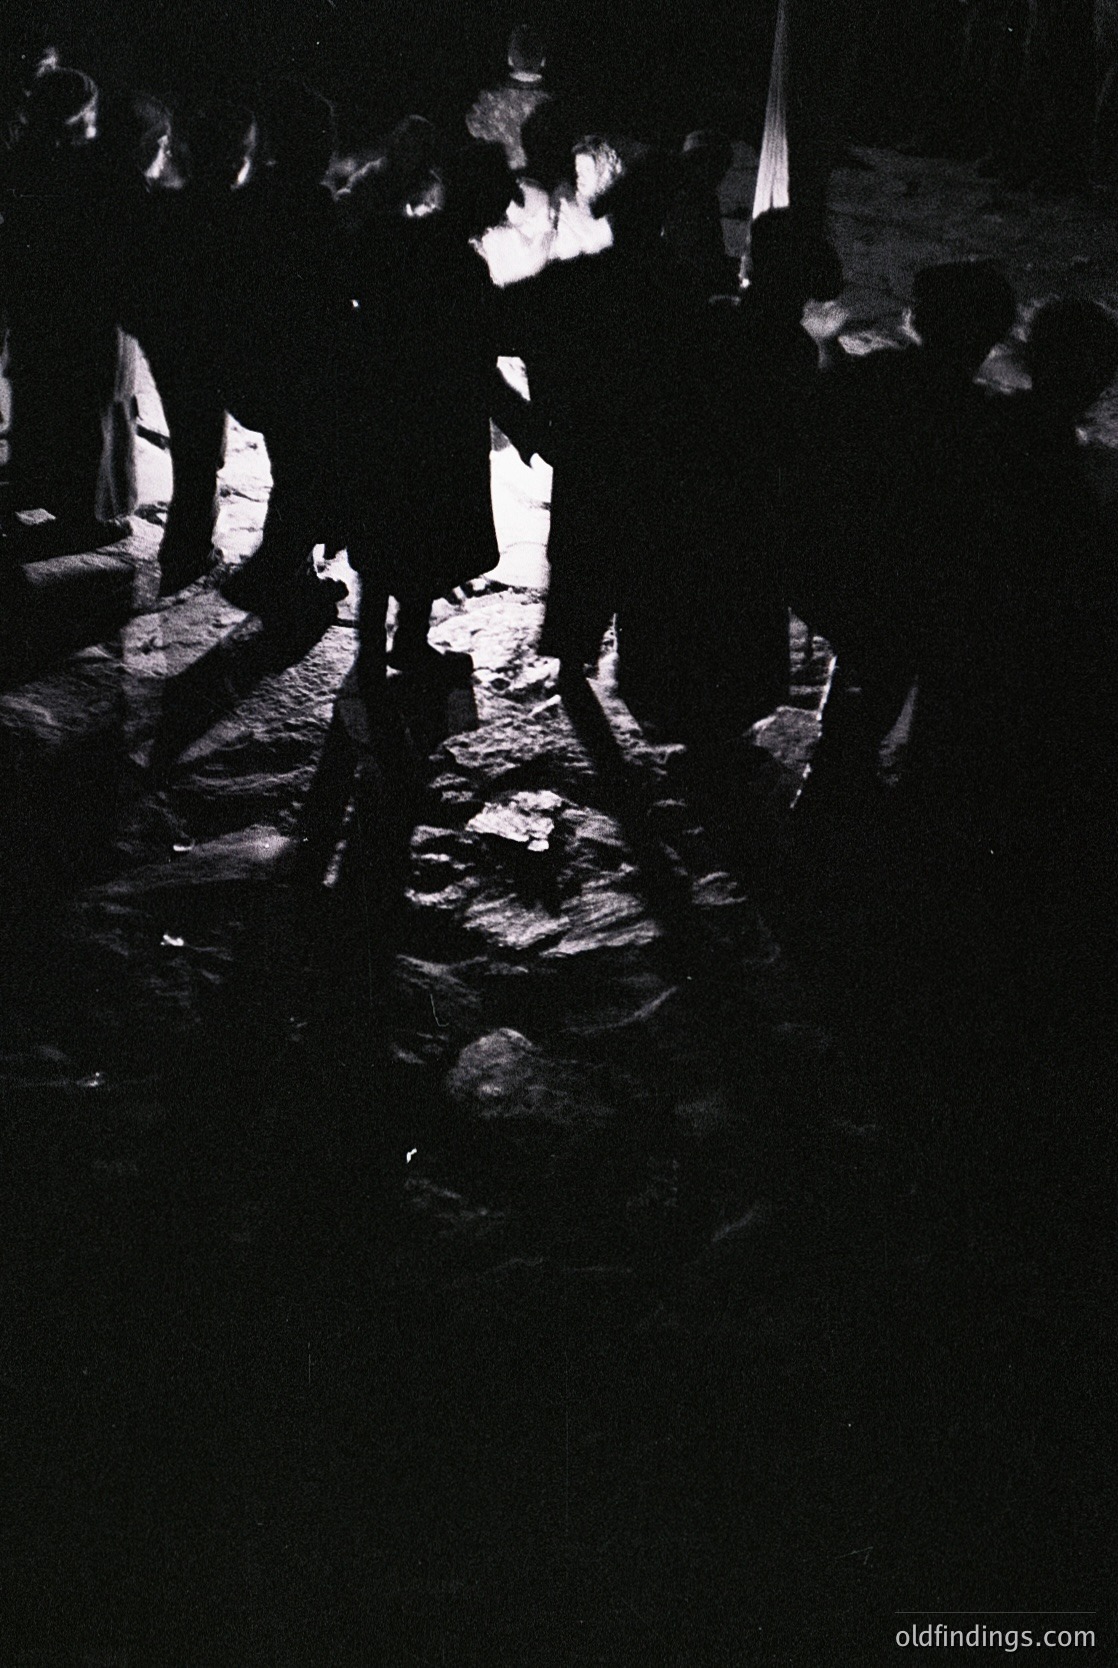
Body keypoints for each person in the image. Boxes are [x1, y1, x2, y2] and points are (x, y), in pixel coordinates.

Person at [349, 140, 516, 694]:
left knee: (386, 531)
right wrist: (524, 420)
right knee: (426, 531)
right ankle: (409, 644)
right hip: (440, 419)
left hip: (387, 409)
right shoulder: (464, 268)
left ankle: (373, 651)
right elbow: (476, 356)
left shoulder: (400, 239)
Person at [218, 82, 350, 626]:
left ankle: (285, 566)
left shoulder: (254, 192)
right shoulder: (313, 205)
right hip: (299, 362)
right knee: (303, 471)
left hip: (256, 357)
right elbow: (332, 284)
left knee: (292, 466)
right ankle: (282, 574)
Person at [1, 67, 134, 549]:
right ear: (80, 116)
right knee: (90, 412)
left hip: (33, 299)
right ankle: (86, 515)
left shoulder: (24, 157)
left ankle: (34, 483)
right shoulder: (82, 168)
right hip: (83, 308)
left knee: (40, 397)